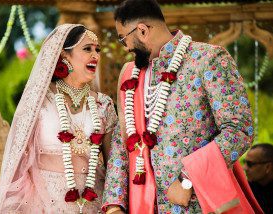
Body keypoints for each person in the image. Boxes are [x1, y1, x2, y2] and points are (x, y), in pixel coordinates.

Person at [102, 0, 262, 213]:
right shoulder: (130, 74)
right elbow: (123, 144)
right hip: (144, 206)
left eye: (124, 39)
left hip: (199, 202)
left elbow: (239, 129)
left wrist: (187, 180)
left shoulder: (207, 59)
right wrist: (114, 204)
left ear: (142, 30)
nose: (127, 48)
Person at [0, 24, 117, 213]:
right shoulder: (39, 101)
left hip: (94, 203)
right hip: (44, 204)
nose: (96, 56)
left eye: (97, 50)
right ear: (64, 54)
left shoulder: (103, 104)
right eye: (87, 49)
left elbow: (115, 165)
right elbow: (18, 161)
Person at [244, 143, 273, 213]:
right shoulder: (247, 188)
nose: (244, 168)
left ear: (268, 167)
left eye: (250, 164)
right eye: (244, 163)